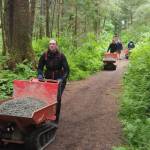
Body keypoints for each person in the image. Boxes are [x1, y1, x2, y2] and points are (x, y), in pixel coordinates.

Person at [37, 39, 70, 122]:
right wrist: (40, 75)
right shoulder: (45, 55)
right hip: (48, 78)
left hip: (59, 79)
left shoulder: (61, 55)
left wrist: (62, 79)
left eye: (53, 44)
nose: (52, 45)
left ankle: (56, 119)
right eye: (50, 44)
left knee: (57, 98)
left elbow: (66, 70)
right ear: (49, 45)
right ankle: (46, 115)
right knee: (47, 97)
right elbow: (40, 67)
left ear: (56, 45)